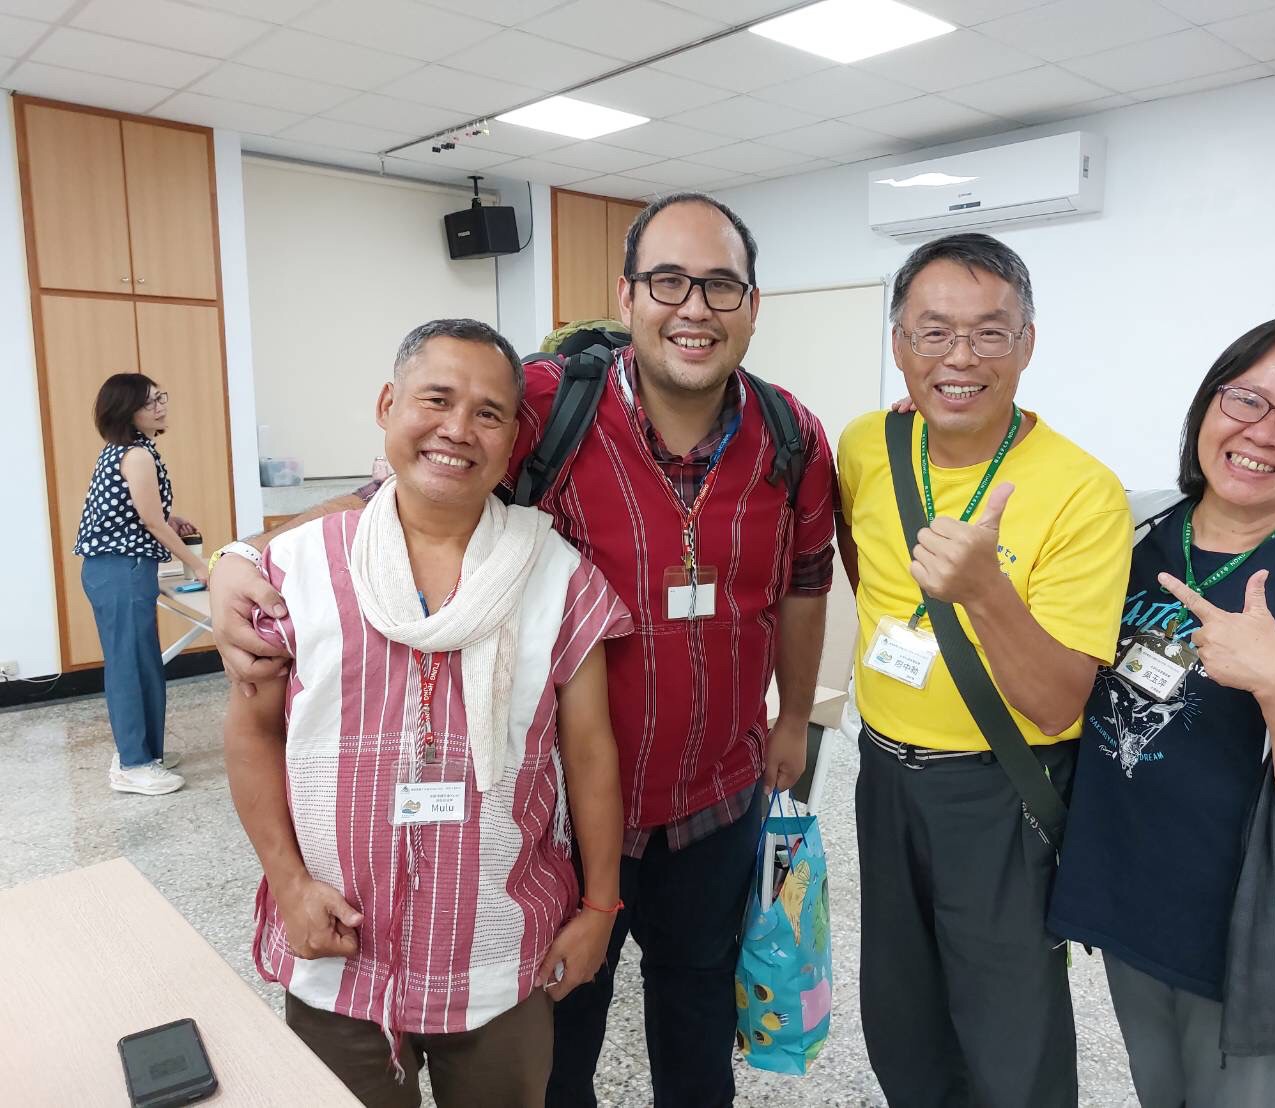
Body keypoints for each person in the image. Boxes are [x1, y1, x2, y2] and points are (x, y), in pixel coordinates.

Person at [208, 193, 837, 1108]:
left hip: (717, 791)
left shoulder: (791, 435)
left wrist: (790, 719)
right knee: (561, 1034)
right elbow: (417, 480)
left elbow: (803, 583)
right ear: (628, 296)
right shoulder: (551, 400)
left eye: (720, 285)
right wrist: (242, 556)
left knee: (697, 1010)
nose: (693, 306)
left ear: (752, 305)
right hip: (569, 815)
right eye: (668, 280)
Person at [223, 319, 629, 1107]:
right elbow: (251, 731)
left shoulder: (557, 577)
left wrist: (598, 909)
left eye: (488, 412)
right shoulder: (294, 568)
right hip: (338, 949)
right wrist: (289, 884)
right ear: (387, 405)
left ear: (514, 438)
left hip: (497, 954)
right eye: (435, 399)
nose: (456, 429)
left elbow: (590, 757)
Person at [1047, 313, 1275, 1108]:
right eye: (1246, 399)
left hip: (1251, 936)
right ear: (1209, 405)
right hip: (1126, 895)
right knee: (1158, 1091)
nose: (1264, 433)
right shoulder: (1127, 527)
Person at [836, 232, 1132, 1107]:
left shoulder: (1083, 491)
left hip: (1002, 791)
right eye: (933, 333)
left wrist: (984, 595)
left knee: (1010, 1028)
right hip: (882, 776)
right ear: (899, 346)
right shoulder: (866, 446)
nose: (959, 358)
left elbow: (1055, 705)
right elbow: (873, 578)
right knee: (900, 1008)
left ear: (1027, 344)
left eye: (988, 333)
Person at [75, 373, 208, 796]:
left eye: (161, 397)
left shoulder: (134, 450)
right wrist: (199, 565)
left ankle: (146, 753)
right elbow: (147, 520)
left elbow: (139, 511)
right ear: (126, 410)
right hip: (119, 569)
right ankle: (131, 764)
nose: (161, 406)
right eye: (150, 402)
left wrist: (172, 516)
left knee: (144, 662)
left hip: (123, 567)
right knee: (129, 665)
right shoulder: (136, 455)